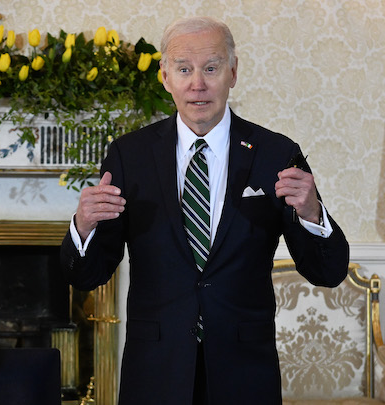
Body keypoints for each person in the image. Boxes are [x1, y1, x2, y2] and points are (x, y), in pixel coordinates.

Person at [60, 17, 349, 404]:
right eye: (184, 69)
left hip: (244, 372)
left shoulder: (276, 153)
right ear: (165, 76)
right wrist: (84, 226)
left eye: (211, 68)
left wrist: (313, 213)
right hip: (156, 371)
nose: (198, 84)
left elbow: (327, 272)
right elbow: (88, 275)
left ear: (233, 72)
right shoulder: (129, 156)